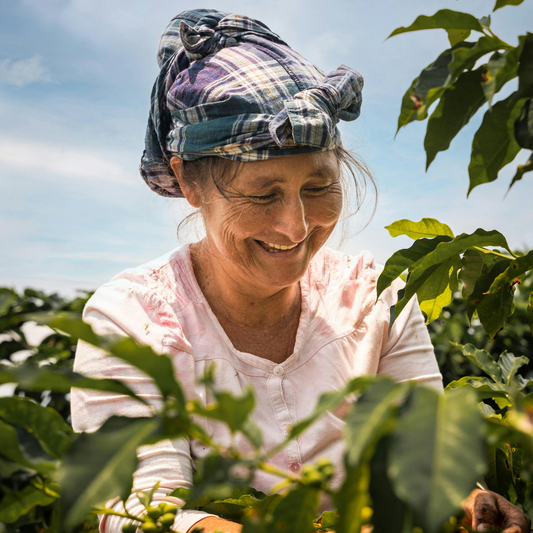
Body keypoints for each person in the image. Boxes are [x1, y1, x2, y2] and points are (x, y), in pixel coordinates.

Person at [71, 9, 530, 533]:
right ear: (190, 182)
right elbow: (143, 512)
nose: (295, 227)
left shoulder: (376, 297)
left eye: (318, 188)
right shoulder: (131, 321)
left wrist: (466, 504)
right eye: (263, 194)